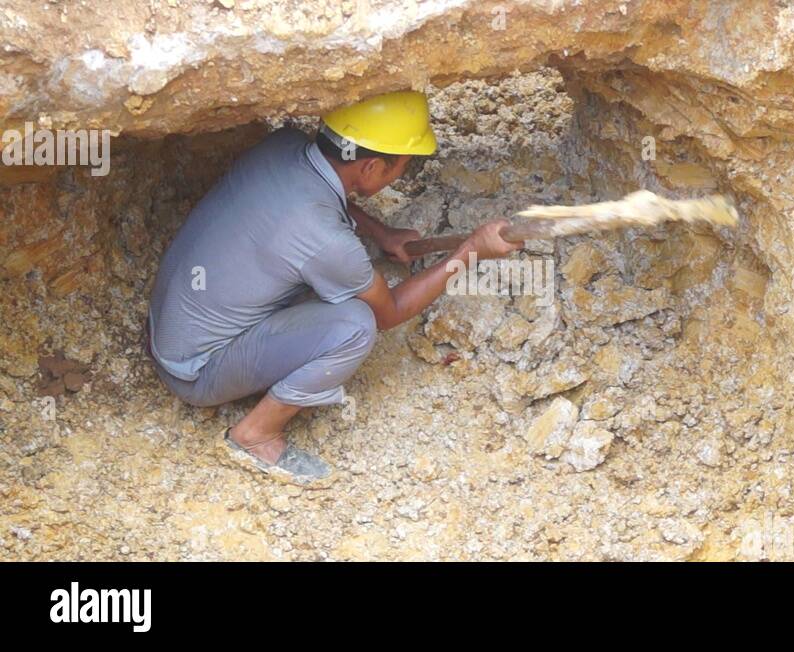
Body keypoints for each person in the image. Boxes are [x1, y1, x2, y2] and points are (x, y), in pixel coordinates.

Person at [147, 90, 522, 481]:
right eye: (401, 168)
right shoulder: (328, 243)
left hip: (166, 328)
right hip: (195, 371)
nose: (400, 175)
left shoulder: (282, 145)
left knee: (333, 271)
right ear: (373, 168)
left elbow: (327, 197)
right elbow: (389, 313)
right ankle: (255, 434)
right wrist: (470, 251)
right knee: (356, 324)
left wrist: (382, 233)